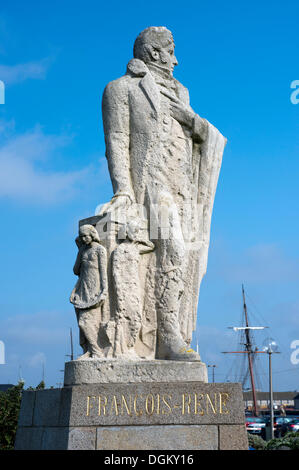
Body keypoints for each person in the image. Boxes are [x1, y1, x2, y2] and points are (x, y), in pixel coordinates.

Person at [100, 27, 226, 360]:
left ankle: (170, 335)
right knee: (175, 253)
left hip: (184, 192)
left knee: (187, 261)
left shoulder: (181, 93)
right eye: (171, 51)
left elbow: (203, 139)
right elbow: (117, 142)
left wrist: (192, 119)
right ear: (155, 53)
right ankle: (167, 338)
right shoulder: (120, 89)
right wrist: (123, 191)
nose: (176, 59)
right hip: (150, 189)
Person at [70, 224, 108, 359]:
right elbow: (76, 271)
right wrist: (80, 252)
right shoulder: (82, 251)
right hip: (82, 288)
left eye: (86, 235)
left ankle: (97, 351)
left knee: (86, 322)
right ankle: (88, 350)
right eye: (82, 237)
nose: (85, 239)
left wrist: (104, 290)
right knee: (82, 324)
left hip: (95, 288)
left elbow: (103, 272)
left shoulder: (100, 250)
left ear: (92, 234)